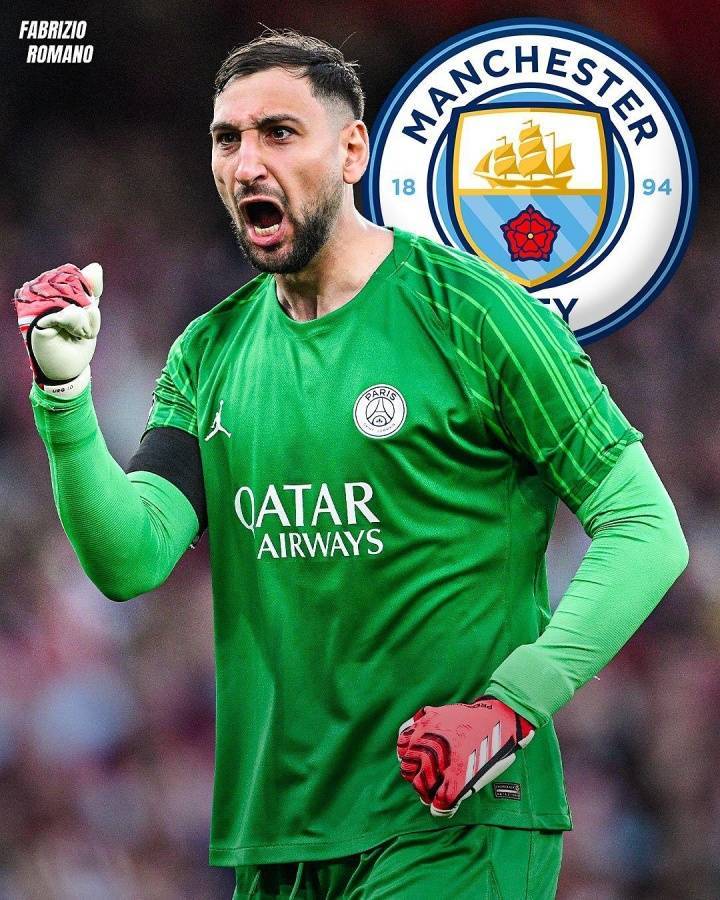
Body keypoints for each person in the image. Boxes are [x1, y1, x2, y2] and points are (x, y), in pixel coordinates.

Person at [13, 29, 688, 900]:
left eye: (279, 133)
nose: (247, 163)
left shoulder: (475, 315)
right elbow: (130, 556)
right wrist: (65, 399)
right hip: (281, 837)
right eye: (227, 139)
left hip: (454, 823)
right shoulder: (208, 353)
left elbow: (646, 528)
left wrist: (512, 704)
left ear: (353, 152)